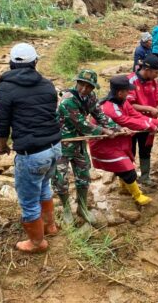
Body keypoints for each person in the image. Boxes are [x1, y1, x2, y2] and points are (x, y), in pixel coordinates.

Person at [0, 43, 62, 253]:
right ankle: (50, 226)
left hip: (32, 154)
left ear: (11, 63)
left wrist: (2, 146)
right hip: (54, 148)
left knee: (28, 200)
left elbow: (1, 122)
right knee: (44, 187)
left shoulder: (6, 88)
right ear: (35, 63)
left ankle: (37, 243)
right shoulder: (48, 85)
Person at [56, 69, 118, 226]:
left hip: (79, 144)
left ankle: (82, 207)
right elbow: (83, 125)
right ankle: (66, 209)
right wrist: (104, 131)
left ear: (93, 88)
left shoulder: (90, 97)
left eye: (88, 86)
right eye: (81, 84)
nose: (84, 89)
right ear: (76, 83)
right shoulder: (67, 100)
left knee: (83, 175)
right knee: (60, 178)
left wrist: (117, 128)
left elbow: (100, 115)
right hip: (61, 143)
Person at [89, 76, 158, 205]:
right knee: (127, 169)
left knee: (123, 165)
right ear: (120, 92)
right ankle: (138, 195)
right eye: (127, 91)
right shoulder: (109, 108)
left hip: (117, 140)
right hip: (104, 143)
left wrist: (156, 122)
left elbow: (135, 115)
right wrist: (150, 126)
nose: (129, 93)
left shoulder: (123, 102)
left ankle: (124, 187)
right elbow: (127, 121)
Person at [127, 55, 158, 186]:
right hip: (131, 123)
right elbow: (128, 105)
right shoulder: (131, 81)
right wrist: (148, 108)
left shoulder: (154, 82)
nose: (157, 75)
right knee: (129, 150)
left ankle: (144, 176)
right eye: (156, 72)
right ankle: (128, 178)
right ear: (147, 69)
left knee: (146, 149)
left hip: (148, 123)